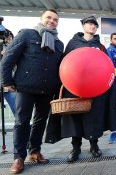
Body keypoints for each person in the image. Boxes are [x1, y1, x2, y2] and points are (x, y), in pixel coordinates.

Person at [45, 16, 116, 162]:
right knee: (75, 118)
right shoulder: (72, 44)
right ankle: (75, 147)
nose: (92, 27)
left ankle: (94, 145)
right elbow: (64, 64)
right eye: (89, 24)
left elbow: (106, 67)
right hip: (75, 88)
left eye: (94, 25)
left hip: (95, 89)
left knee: (94, 118)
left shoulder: (101, 47)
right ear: (83, 26)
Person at [0, 9, 64, 174]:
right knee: (21, 121)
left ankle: (34, 151)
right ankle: (18, 157)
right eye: (48, 18)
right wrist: (6, 81)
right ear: (41, 19)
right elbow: (8, 58)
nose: (52, 21)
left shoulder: (58, 43)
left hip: (47, 88)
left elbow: (60, 68)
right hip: (25, 86)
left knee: (40, 121)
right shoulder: (27, 34)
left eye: (55, 19)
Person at [0, 29, 16, 116]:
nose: (7, 39)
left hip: (9, 86)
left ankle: (24, 129)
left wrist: (8, 55)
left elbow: (16, 67)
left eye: (9, 38)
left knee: (18, 112)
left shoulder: (11, 48)